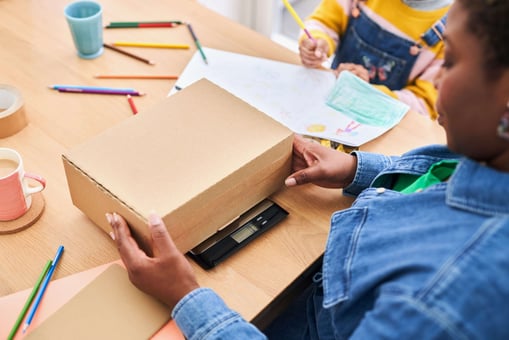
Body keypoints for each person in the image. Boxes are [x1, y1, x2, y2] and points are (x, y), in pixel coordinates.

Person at [106, 0, 509, 338]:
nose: (436, 78)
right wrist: (357, 168)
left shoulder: (436, 304)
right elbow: (440, 175)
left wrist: (185, 298)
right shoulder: (489, 156)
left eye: (451, 60)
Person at [299, 0, 451, 120]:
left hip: (382, 137)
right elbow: (324, 22)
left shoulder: (452, 32)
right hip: (328, 105)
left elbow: (423, 106)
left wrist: (366, 92)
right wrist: (318, 40)